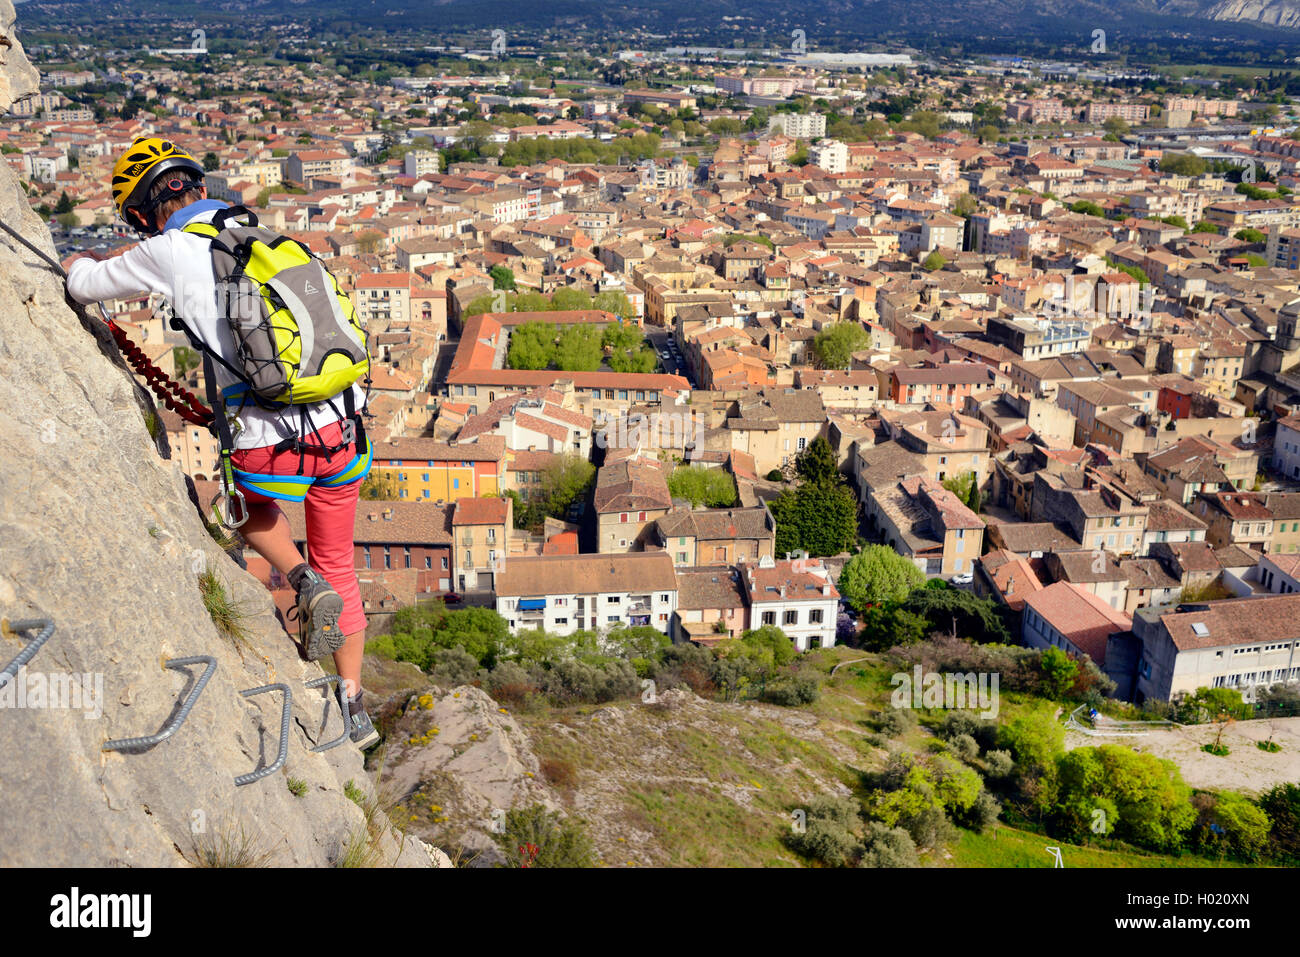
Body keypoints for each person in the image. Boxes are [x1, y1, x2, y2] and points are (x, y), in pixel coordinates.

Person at [65, 138, 379, 748]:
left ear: (142, 211)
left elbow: (85, 285)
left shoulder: (170, 249)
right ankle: (354, 705)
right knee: (341, 563)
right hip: (343, 426)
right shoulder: (266, 235)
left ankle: (297, 578)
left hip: (267, 440)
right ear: (197, 185)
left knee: (245, 514)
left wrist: (84, 260)